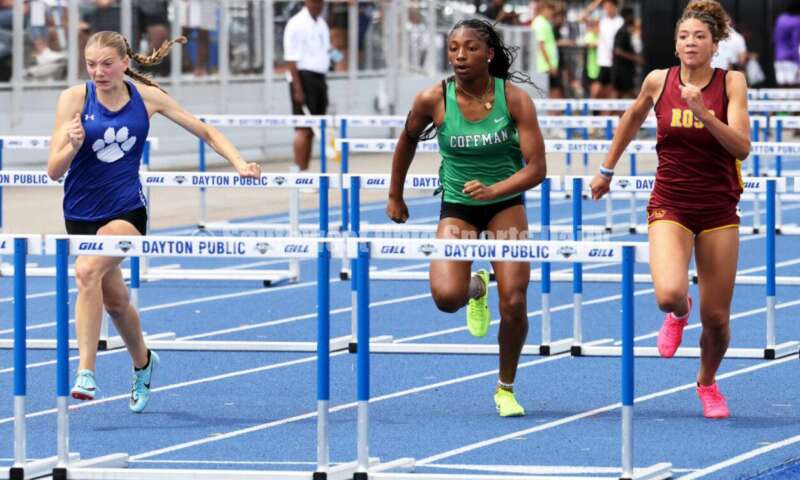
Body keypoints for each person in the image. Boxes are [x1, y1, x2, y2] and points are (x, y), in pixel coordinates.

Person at [46, 31, 261, 412]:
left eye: (107, 64)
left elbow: (205, 131)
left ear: (125, 63)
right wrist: (73, 145)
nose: (98, 72)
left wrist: (240, 162)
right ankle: (144, 362)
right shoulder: (74, 99)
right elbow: (53, 170)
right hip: (79, 213)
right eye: (91, 64)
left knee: (85, 271)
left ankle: (86, 372)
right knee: (113, 301)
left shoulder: (146, 99)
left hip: (126, 212)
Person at [590, 0, 750, 419]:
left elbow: (742, 147)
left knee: (717, 320)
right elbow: (630, 118)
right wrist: (606, 170)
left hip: (718, 208)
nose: (691, 43)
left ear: (714, 45)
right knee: (668, 294)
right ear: (676, 45)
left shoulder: (731, 84)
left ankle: (708, 383)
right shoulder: (659, 81)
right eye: (684, 37)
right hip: (671, 202)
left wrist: (704, 114)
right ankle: (681, 312)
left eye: (700, 36)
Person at [386, 18, 546, 417]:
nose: (460, 55)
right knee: (446, 298)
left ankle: (505, 387)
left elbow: (538, 167)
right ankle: (477, 287)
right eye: (454, 47)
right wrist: (395, 195)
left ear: (489, 53)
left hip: (504, 203)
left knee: (515, 300)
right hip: (458, 207)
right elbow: (406, 139)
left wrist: (496, 189)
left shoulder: (515, 100)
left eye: (470, 48)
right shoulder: (433, 99)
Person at [283, 0, 330, 171]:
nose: (319, 5)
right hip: (303, 79)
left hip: (319, 79)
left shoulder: (322, 24)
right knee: (303, 128)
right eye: (316, 2)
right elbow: (291, 60)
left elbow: (326, 51)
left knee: (314, 129)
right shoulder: (296, 24)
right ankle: (299, 174)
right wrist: (297, 89)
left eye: (321, 2)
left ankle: (306, 173)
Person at [531, 0, 562, 98]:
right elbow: (541, 45)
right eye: (550, 10)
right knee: (553, 94)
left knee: (553, 94)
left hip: (547, 65)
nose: (552, 13)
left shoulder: (544, 22)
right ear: (544, 9)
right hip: (544, 66)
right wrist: (550, 65)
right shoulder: (540, 23)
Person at [611, 7, 643, 98]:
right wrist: (635, 58)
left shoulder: (628, 30)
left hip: (625, 70)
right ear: (627, 16)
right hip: (622, 71)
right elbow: (617, 50)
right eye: (632, 15)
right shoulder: (622, 31)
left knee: (619, 97)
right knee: (625, 95)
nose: (633, 17)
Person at [773, 1, 800, 86]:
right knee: (795, 89)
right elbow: (795, 42)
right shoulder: (797, 21)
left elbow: (775, 38)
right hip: (791, 59)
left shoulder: (780, 19)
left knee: (782, 90)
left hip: (779, 59)